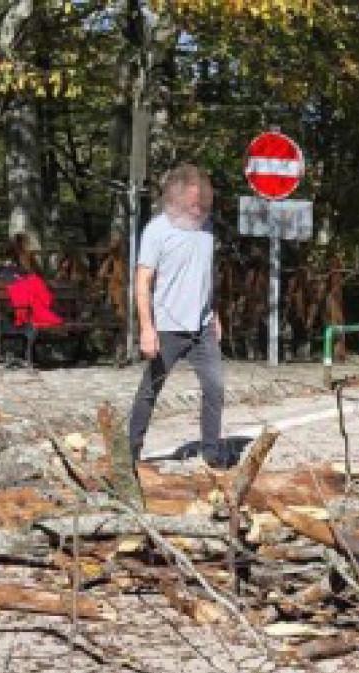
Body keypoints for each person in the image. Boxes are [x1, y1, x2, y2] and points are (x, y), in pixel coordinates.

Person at [128, 163, 227, 468]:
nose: (199, 207)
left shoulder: (206, 229)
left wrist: (215, 314)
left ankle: (211, 453)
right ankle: (129, 453)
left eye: (202, 201)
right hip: (167, 326)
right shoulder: (157, 230)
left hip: (203, 327)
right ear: (177, 197)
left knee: (215, 388)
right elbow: (142, 280)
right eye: (193, 201)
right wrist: (147, 328)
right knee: (150, 389)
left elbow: (206, 276)